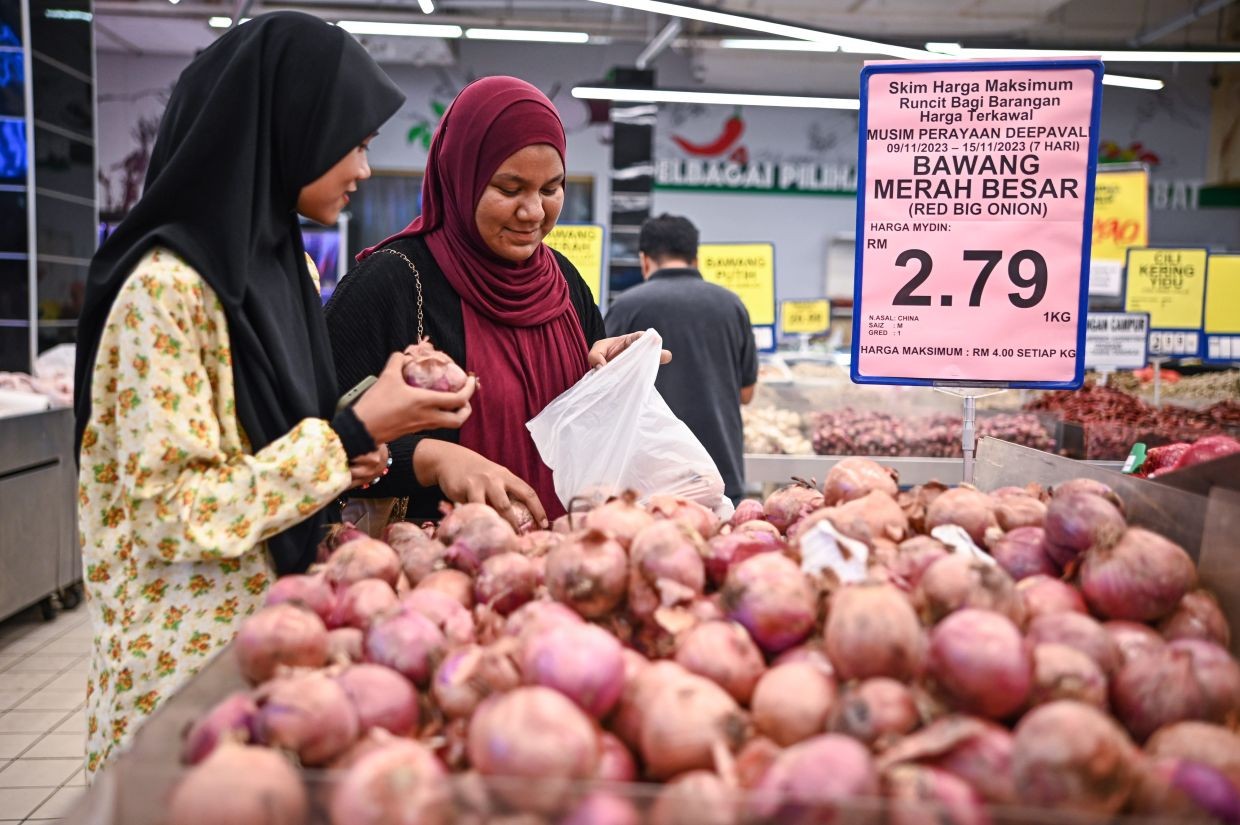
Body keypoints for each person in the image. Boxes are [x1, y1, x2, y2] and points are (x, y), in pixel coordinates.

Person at [74, 12, 475, 774]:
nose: (364, 169)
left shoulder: (289, 270)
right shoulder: (165, 291)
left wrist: (359, 437)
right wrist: (346, 436)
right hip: (187, 673)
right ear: (288, 126)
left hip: (280, 646)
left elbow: (267, 448)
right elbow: (173, 512)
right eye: (353, 143)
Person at [326, 76, 661, 526]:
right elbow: (321, 442)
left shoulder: (563, 283)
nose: (533, 212)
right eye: (509, 189)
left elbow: (587, 438)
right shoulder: (393, 282)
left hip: (563, 553)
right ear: (461, 178)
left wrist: (610, 374)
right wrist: (433, 459)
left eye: (551, 189)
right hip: (433, 559)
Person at [604, 214, 758, 504]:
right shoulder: (732, 305)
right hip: (720, 472)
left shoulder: (626, 307)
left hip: (646, 480)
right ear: (696, 259)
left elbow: (606, 389)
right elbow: (746, 393)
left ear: (644, 260)